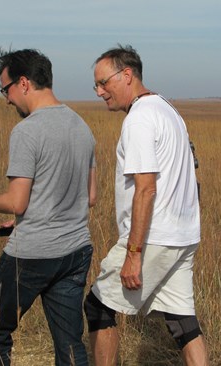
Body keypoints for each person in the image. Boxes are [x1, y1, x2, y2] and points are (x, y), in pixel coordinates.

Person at [0, 48, 97, 366]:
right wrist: (29, 216)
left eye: (5, 89)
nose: (6, 99)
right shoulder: (81, 127)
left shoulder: (27, 131)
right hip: (75, 251)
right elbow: (89, 196)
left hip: (32, 254)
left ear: (23, 83)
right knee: (70, 344)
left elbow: (15, 201)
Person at [83, 44, 209, 365]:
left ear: (127, 75)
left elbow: (146, 189)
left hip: (154, 239)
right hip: (183, 237)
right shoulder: (168, 110)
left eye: (103, 83)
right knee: (182, 323)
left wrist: (134, 254)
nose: (99, 91)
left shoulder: (139, 119)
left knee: (99, 307)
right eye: (96, 85)